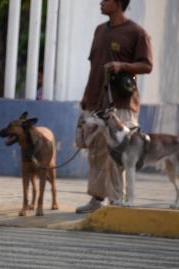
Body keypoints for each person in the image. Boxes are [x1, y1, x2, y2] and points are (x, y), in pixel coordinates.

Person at [75, 0, 152, 213]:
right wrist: (86, 96)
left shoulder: (137, 32)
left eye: (106, 0)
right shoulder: (100, 30)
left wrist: (123, 66)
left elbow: (147, 65)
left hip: (121, 104)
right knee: (96, 151)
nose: (101, 3)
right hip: (96, 102)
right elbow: (94, 67)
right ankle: (97, 199)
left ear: (118, 4)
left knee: (118, 154)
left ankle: (118, 200)